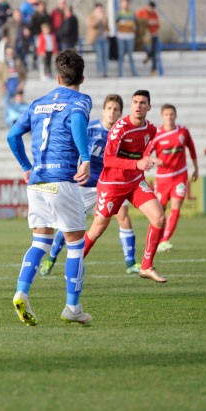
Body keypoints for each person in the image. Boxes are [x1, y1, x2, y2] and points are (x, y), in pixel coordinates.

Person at [6, 48, 93, 326]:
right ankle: (72, 307)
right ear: (82, 77)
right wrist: (86, 158)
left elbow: (12, 135)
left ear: (57, 77)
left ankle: (21, 291)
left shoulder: (38, 103)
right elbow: (78, 123)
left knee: (40, 241)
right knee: (76, 244)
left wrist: (26, 166)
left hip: (38, 181)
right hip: (62, 180)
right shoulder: (80, 100)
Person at [39, 94, 140, 276]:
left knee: (124, 216)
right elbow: (74, 146)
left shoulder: (123, 133)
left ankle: (131, 262)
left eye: (116, 109)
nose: (112, 112)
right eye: (109, 108)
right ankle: (51, 258)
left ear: (120, 112)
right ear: (103, 110)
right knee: (68, 223)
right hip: (87, 185)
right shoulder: (90, 128)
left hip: (111, 184)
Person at [82, 90, 167, 283]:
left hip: (135, 182)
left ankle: (146, 266)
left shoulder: (150, 130)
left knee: (159, 217)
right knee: (97, 229)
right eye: (135, 102)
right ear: (131, 105)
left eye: (142, 103)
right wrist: (136, 164)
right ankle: (75, 266)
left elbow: (146, 149)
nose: (138, 106)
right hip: (112, 184)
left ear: (148, 107)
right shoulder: (120, 128)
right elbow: (108, 159)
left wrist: (148, 159)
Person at [145, 104, 198, 252]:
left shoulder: (183, 132)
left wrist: (196, 168)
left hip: (180, 176)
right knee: (159, 212)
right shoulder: (157, 135)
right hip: (162, 179)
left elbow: (192, 149)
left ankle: (164, 241)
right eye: (166, 114)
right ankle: (154, 240)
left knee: (176, 208)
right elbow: (146, 154)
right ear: (162, 116)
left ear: (175, 115)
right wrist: (155, 161)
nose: (169, 117)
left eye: (171, 114)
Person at [0, 46, 27, 127]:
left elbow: (24, 74)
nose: (10, 54)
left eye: (12, 53)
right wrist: (2, 85)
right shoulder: (3, 63)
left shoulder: (18, 61)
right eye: (8, 53)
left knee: (18, 105)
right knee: (7, 105)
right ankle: (8, 122)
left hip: (16, 86)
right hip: (7, 86)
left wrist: (21, 84)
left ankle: (18, 122)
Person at [136, 1, 161, 75]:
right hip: (145, 36)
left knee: (154, 52)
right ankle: (149, 57)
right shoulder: (141, 12)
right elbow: (138, 21)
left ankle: (153, 68)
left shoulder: (154, 14)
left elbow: (157, 24)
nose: (151, 9)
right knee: (149, 49)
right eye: (150, 7)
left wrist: (151, 23)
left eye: (152, 8)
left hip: (153, 34)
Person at [116, 0, 138, 77]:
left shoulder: (132, 13)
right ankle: (120, 73)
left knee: (130, 55)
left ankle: (134, 73)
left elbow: (135, 24)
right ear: (121, 4)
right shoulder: (118, 14)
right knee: (121, 55)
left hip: (130, 37)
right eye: (123, 3)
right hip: (121, 37)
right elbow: (117, 24)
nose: (125, 5)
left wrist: (126, 24)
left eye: (126, 3)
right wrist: (126, 24)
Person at [86, 3, 109, 77]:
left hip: (104, 38)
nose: (100, 10)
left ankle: (105, 72)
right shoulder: (91, 16)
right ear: (95, 9)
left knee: (105, 55)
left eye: (101, 9)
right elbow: (91, 25)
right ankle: (100, 72)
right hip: (96, 39)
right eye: (99, 9)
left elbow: (107, 27)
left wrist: (106, 26)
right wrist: (98, 19)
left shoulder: (104, 17)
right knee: (99, 55)